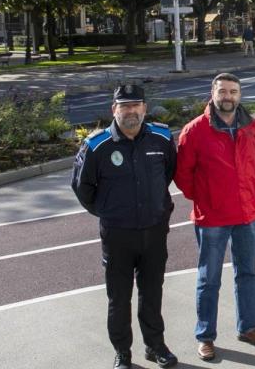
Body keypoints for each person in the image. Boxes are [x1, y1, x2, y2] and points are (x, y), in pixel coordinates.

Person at [72, 85, 178, 369]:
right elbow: (83, 188)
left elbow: (167, 173)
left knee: (152, 292)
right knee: (119, 297)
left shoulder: (162, 137)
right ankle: (123, 352)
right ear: (114, 110)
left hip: (154, 231)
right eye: (124, 106)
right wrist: (109, 211)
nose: (131, 111)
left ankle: (155, 346)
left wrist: (152, 205)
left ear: (145, 108)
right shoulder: (97, 145)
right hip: (118, 234)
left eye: (136, 105)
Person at [175, 73, 255, 362]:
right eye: (223, 91)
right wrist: (208, 197)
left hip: (246, 215)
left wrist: (252, 202)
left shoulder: (251, 126)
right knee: (210, 279)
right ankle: (206, 336)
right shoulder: (194, 130)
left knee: (248, 275)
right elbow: (182, 176)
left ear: (239, 95)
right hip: (212, 218)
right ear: (213, 93)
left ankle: (248, 328)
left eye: (233, 91)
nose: (228, 96)